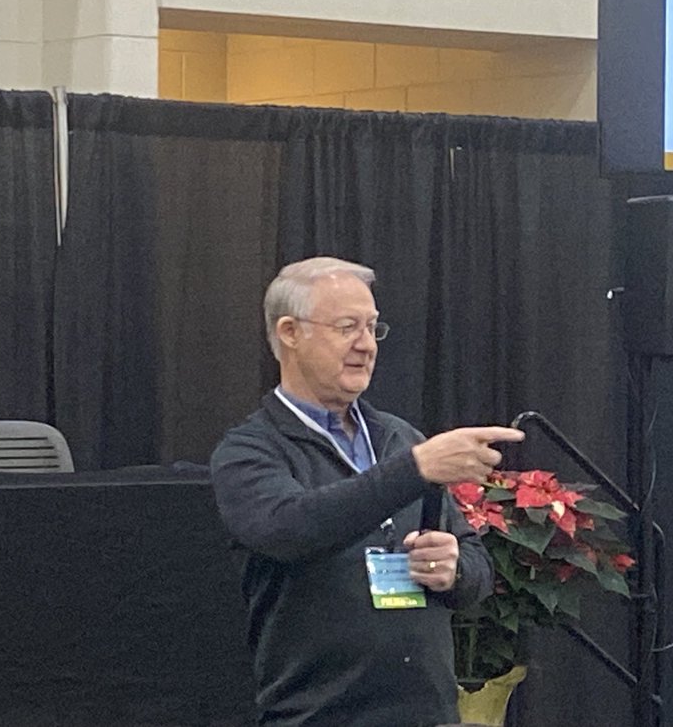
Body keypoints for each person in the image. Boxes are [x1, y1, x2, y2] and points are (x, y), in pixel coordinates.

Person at [211, 256, 524, 727]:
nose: (365, 345)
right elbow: (289, 528)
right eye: (346, 328)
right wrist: (414, 470)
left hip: (428, 714)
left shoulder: (399, 438)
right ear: (290, 332)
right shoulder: (250, 450)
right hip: (317, 717)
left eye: (373, 328)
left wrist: (454, 568)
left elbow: (477, 567)